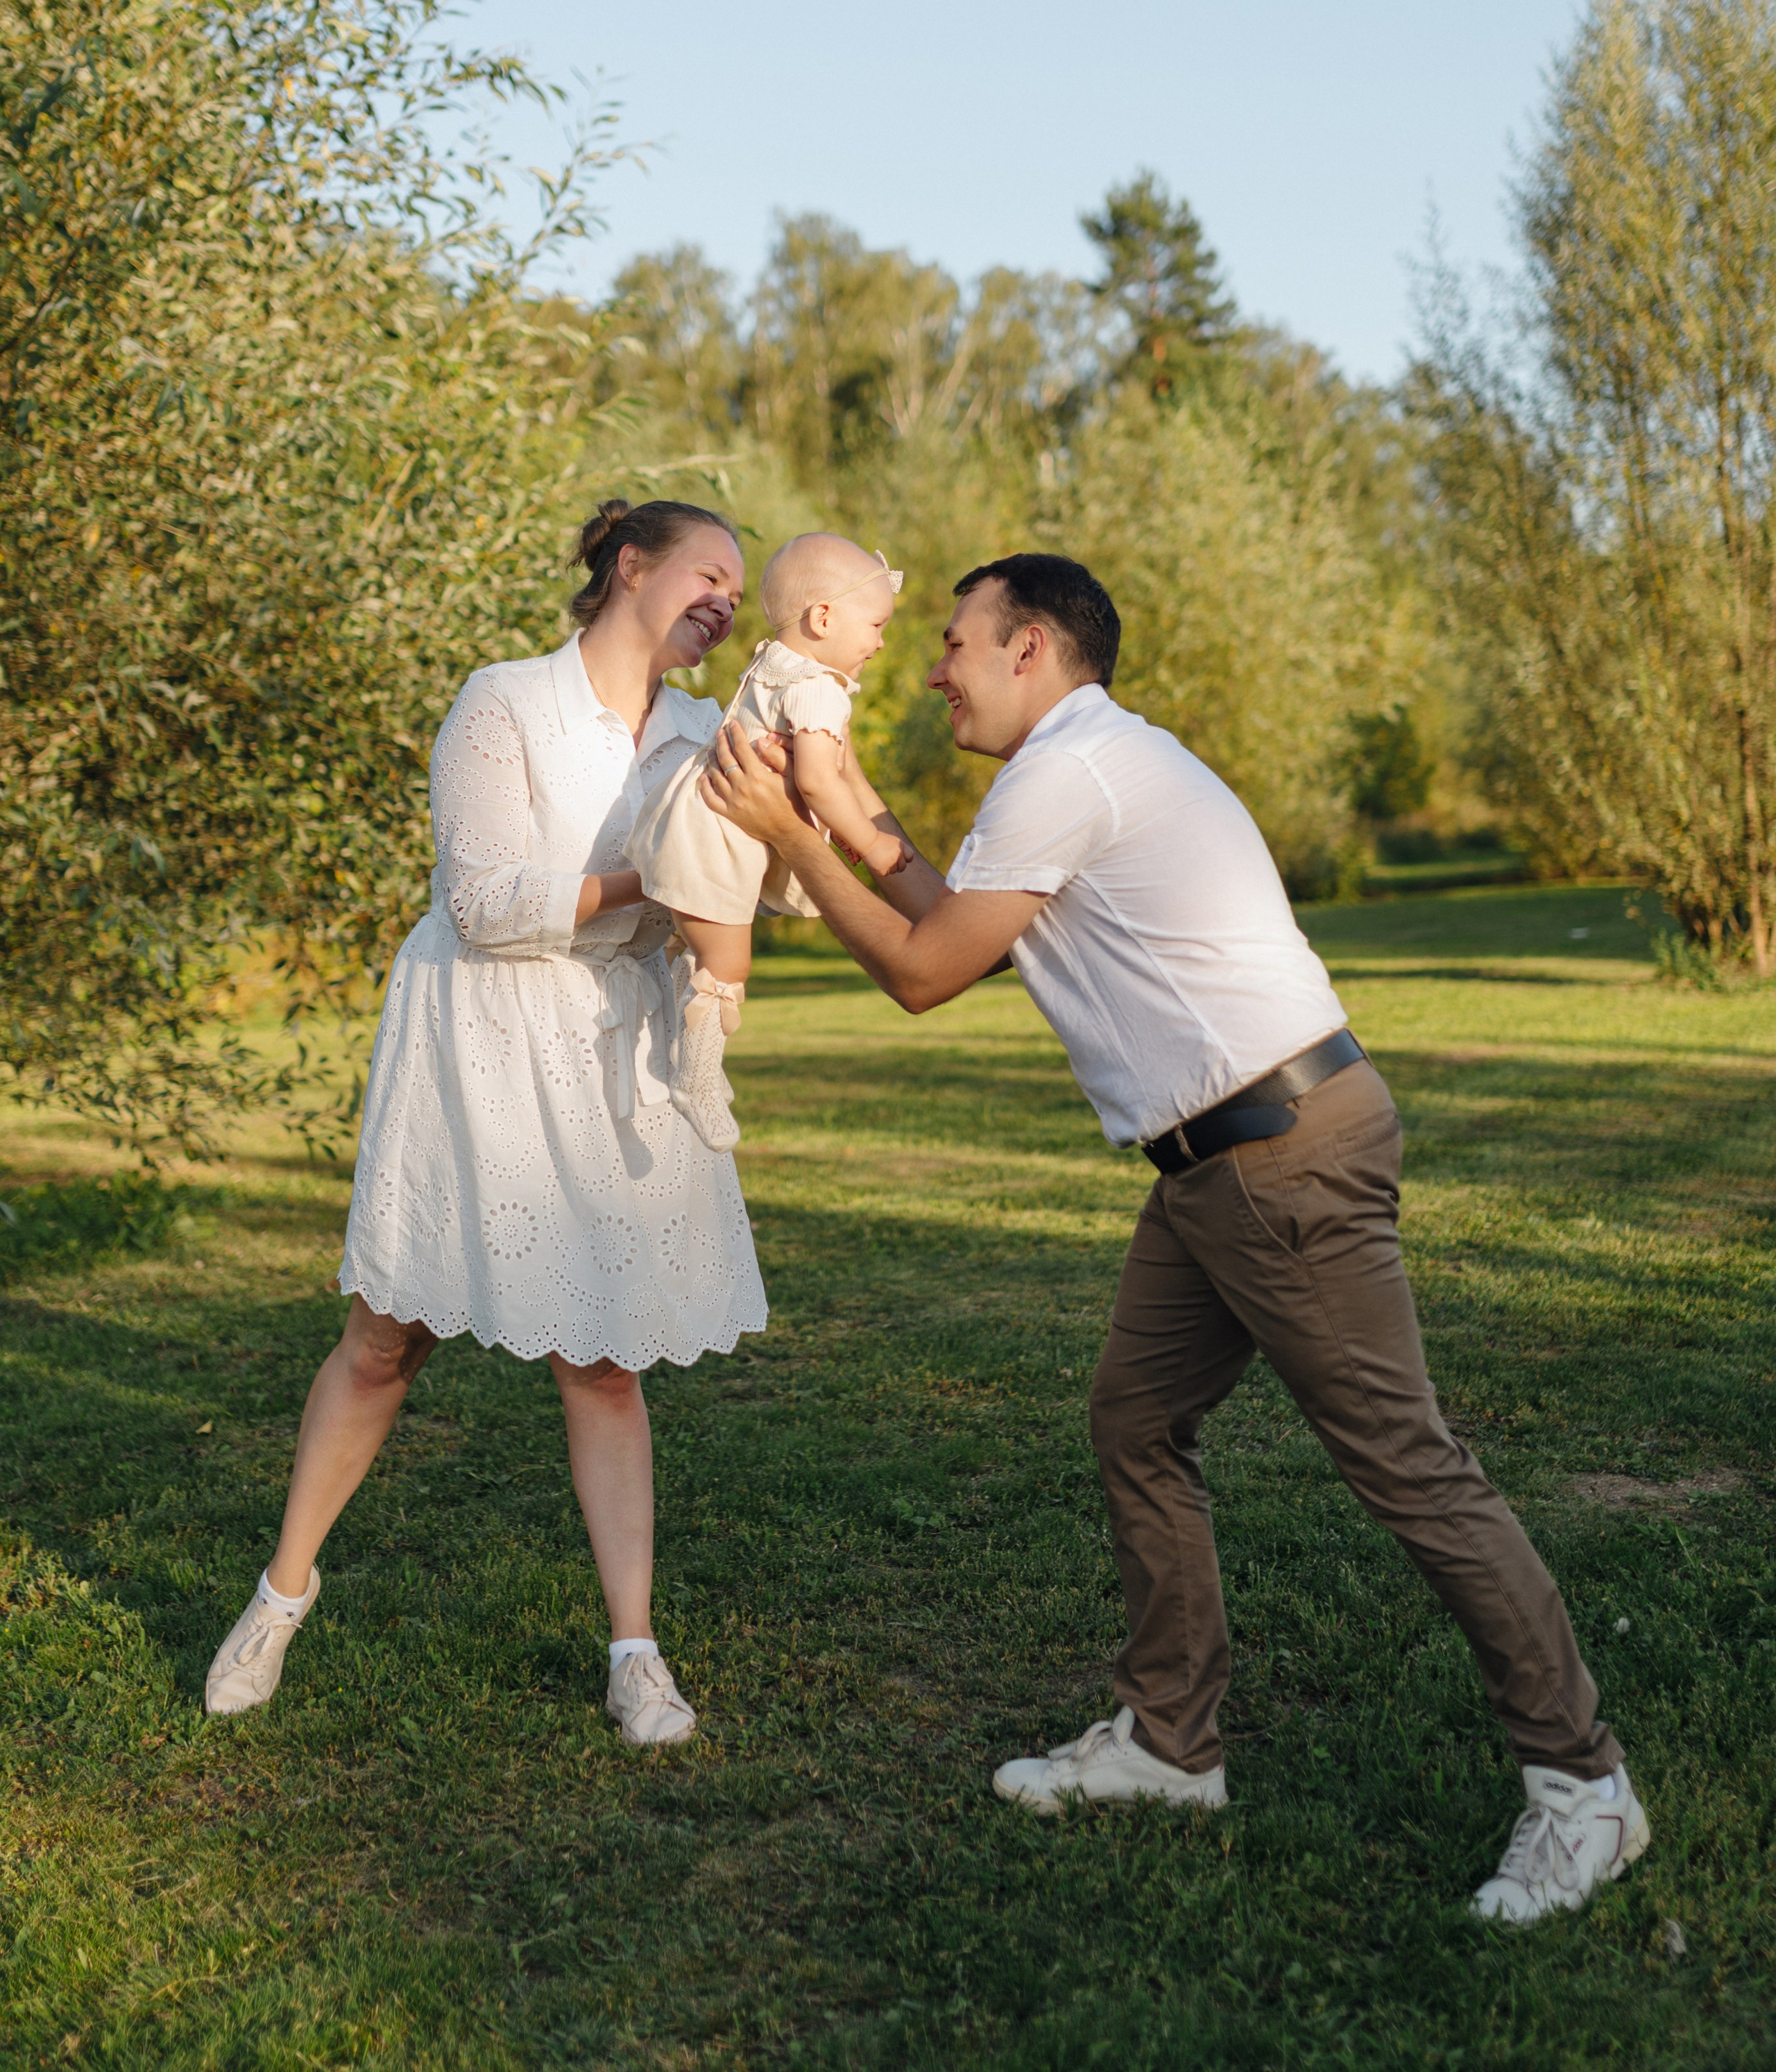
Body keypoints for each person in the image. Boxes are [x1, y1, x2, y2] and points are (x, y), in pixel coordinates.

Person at [699, 550, 1648, 1924]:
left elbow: (920, 975)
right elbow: (960, 923)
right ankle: (1166, 1744)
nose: (930, 669)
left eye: (954, 642)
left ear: (1026, 646)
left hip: (1278, 1160)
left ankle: (1583, 1786)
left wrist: (792, 842)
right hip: (1220, 1164)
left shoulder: (1065, 773)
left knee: (1409, 1469)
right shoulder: (1081, 763)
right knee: (1134, 1422)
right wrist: (841, 809)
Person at [203, 498, 769, 1749]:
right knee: (384, 1342)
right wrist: (664, 876)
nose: (730, 596)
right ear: (632, 566)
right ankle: (278, 1597)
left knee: (603, 1361)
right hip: (478, 1038)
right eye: (709, 571)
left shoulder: (707, 730)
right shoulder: (504, 697)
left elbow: (743, 894)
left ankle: (637, 1657)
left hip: (616, 1043)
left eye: (740, 582)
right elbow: (488, 900)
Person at [629, 533, 908, 1150]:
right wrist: (873, 844)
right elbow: (816, 779)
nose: (881, 642)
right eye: (876, 625)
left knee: (697, 949)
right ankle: (695, 1077)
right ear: (824, 618)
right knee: (730, 965)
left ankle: (684, 1052)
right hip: (721, 832)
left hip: (701, 817)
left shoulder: (772, 664)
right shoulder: (820, 688)